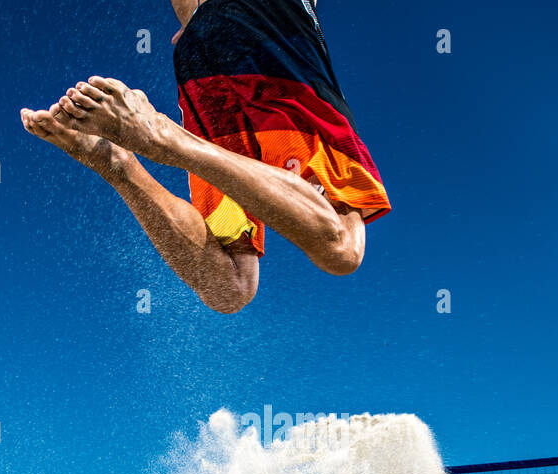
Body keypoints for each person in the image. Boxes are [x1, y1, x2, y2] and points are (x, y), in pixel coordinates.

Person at [20, 0, 392, 313]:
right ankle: (163, 138)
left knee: (231, 286)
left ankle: (118, 165)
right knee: (342, 247)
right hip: (267, 27)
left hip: (204, 51)